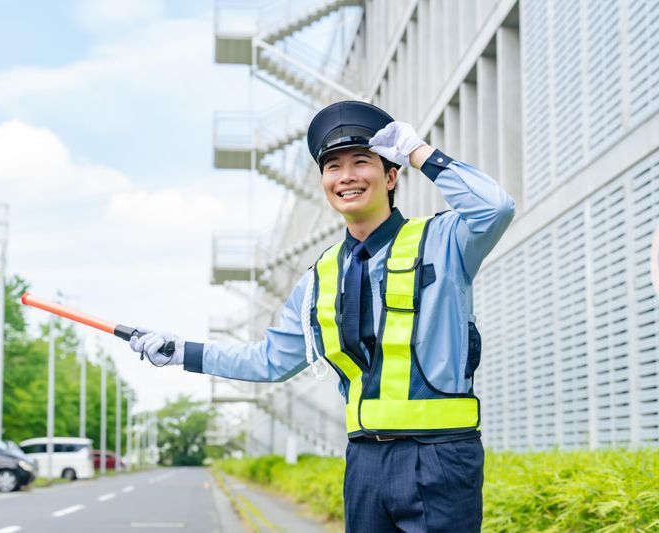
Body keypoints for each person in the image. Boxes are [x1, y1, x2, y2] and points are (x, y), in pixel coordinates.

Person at [129, 100, 515, 532]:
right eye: (332, 166)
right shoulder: (319, 277)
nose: (346, 176)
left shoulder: (444, 241)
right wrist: (184, 351)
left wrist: (418, 151)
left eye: (361, 162)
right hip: (364, 462)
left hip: (442, 458)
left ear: (391, 176)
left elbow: (495, 209)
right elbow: (270, 360)